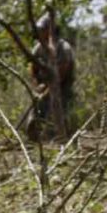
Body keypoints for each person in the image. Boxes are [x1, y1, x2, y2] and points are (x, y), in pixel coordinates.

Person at [27, 12, 76, 140]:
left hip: (62, 88)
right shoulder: (38, 48)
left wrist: (50, 86)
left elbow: (63, 71)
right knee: (36, 114)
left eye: (42, 30)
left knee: (60, 117)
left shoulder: (63, 47)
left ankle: (62, 139)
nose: (39, 32)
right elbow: (32, 68)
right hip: (43, 88)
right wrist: (38, 86)